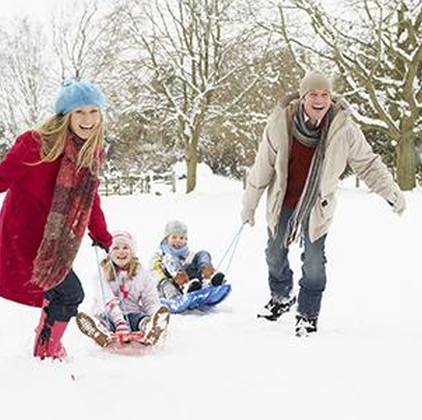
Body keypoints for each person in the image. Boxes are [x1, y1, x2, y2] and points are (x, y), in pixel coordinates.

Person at [240, 70, 406, 337]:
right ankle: (282, 297)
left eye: (325, 94)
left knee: (314, 261)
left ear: (331, 97)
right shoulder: (280, 124)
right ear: (303, 97)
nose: (320, 99)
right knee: (273, 255)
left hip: (318, 207)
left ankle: (307, 314)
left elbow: (368, 164)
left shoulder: (344, 128)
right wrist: (249, 205)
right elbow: (262, 168)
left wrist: (391, 192)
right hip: (283, 202)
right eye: (314, 94)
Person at [0, 79, 113, 359]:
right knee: (69, 293)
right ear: (66, 115)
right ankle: (46, 351)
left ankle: (45, 342)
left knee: (62, 293)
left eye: (93, 111)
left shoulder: (90, 151)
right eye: (79, 112)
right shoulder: (36, 143)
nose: (87, 119)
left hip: (55, 240)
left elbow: (90, 198)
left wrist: (102, 235)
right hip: (24, 235)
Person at [76, 230, 170, 346]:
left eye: (126, 247)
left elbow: (150, 299)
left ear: (132, 251)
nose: (121, 251)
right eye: (116, 248)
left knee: (141, 318)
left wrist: (155, 314)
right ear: (109, 252)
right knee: (102, 321)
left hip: (131, 314)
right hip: (108, 315)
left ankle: (151, 328)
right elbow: (106, 298)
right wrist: (119, 321)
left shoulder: (141, 273)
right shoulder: (100, 274)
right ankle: (100, 333)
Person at [150, 220, 225, 300]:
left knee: (203, 254)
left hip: (193, 283)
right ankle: (184, 285)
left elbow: (194, 266)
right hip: (172, 284)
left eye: (181, 238)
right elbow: (153, 272)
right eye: (174, 237)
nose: (178, 240)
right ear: (166, 239)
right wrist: (164, 283)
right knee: (170, 258)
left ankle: (209, 278)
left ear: (186, 240)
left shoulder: (189, 255)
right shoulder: (159, 255)